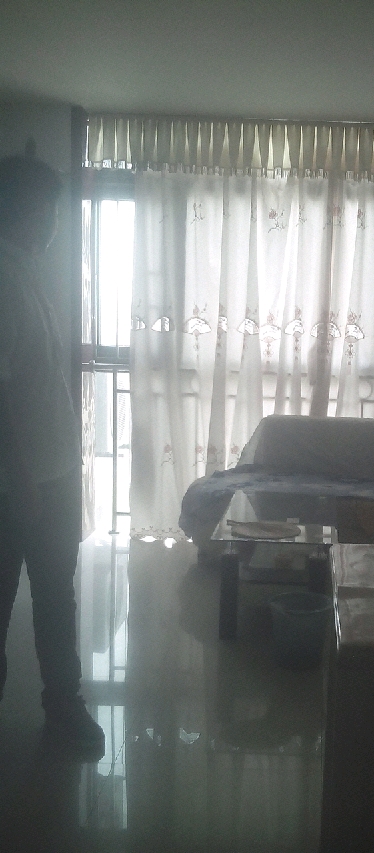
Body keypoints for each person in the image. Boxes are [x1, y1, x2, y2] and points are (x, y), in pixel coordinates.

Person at [0, 152, 104, 755]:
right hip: (19, 483)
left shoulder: (27, 273)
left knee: (56, 598)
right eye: (48, 211)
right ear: (20, 208)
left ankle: (64, 704)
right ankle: (61, 705)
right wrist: (21, 479)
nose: (54, 223)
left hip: (53, 474)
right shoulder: (3, 278)